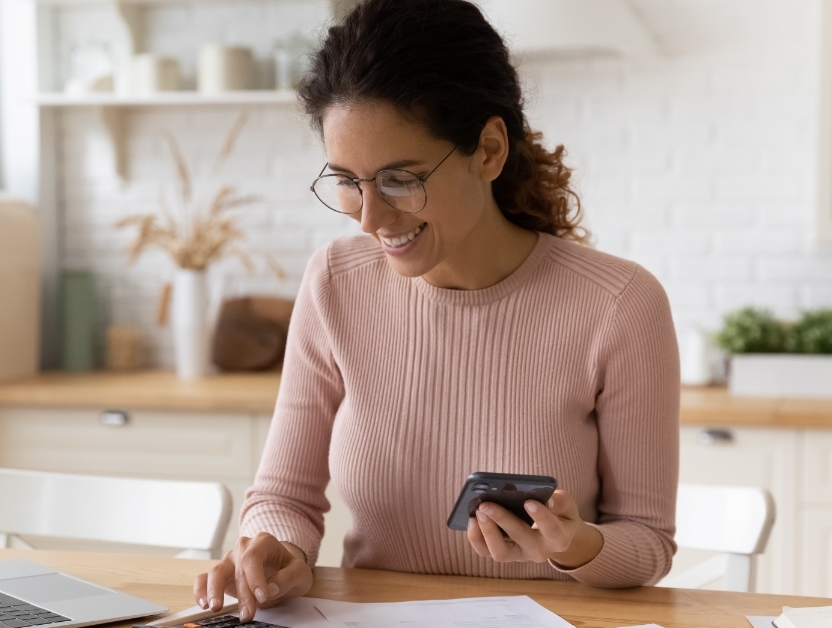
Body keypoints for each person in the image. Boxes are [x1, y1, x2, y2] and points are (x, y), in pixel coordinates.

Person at [195, 0, 680, 619]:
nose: (370, 218)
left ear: (489, 149)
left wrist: (579, 547)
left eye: (400, 178)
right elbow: (285, 495)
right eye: (347, 180)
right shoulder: (336, 282)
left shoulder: (619, 304)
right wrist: (279, 549)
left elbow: (648, 541)